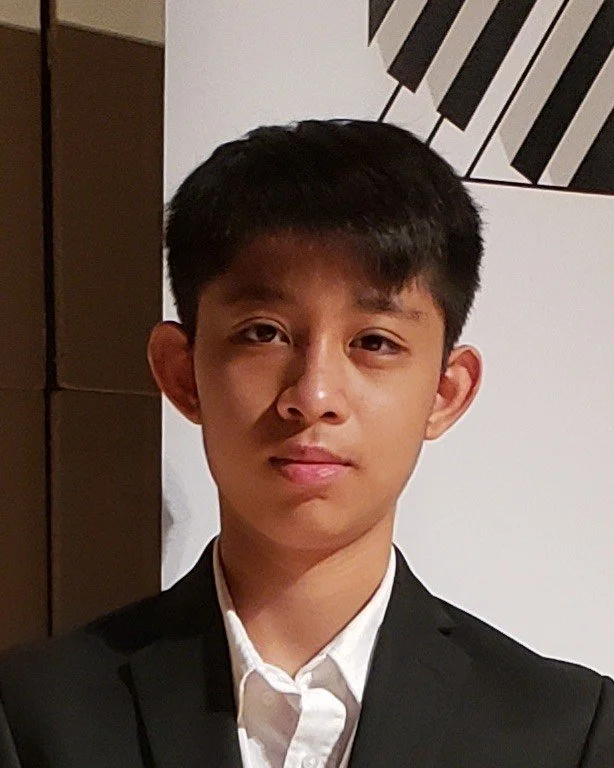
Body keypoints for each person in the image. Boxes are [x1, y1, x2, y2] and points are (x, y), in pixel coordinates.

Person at [1, 119, 612, 767]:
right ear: (183, 374)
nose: (313, 394)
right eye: (264, 333)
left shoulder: (566, 734)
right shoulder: (34, 716)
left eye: (374, 342)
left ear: (445, 392)